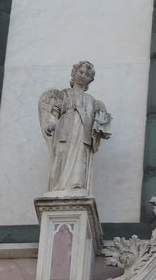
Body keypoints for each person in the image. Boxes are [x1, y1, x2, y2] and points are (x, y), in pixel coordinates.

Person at [38, 60, 112, 192]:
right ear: (74, 73)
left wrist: (102, 120)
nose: (83, 75)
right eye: (81, 72)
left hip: (83, 132)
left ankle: (76, 184)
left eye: (87, 75)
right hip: (65, 129)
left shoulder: (92, 100)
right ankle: (59, 186)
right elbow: (56, 110)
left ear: (90, 80)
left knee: (80, 157)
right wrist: (51, 122)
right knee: (62, 154)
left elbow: (101, 125)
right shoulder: (64, 94)